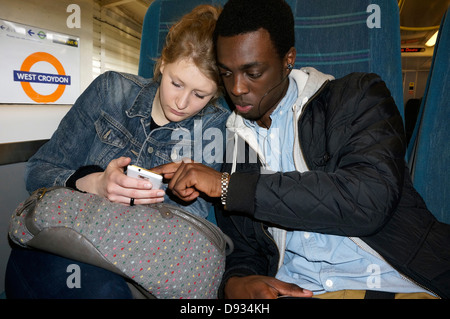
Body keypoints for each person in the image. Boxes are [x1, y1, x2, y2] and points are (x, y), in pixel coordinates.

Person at [153, 0, 450, 299]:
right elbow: (245, 250)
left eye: (252, 73)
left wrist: (228, 187)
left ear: (288, 59)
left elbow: (367, 199)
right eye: (226, 73)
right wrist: (236, 283)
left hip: (399, 284)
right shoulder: (232, 142)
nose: (237, 88)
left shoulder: (356, 97)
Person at [5, 4, 229, 299]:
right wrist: (92, 183)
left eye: (200, 95)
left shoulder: (215, 128)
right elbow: (38, 171)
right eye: (176, 83)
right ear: (162, 63)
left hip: (140, 268)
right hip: (61, 244)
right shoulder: (110, 91)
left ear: (215, 95)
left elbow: (185, 236)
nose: (182, 102)